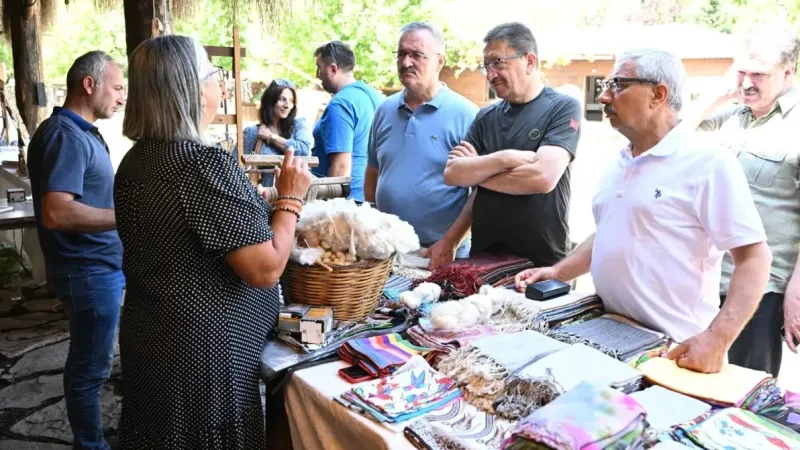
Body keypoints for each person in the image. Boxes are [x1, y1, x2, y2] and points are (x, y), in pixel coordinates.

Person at [515, 48, 773, 374]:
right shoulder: (619, 160)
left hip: (675, 351)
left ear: (658, 94)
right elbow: (612, 229)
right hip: (608, 335)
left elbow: (754, 258)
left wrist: (718, 338)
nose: (604, 97)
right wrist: (559, 272)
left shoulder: (707, 162)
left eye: (618, 85)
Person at [115, 35, 312, 449]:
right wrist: (291, 196)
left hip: (154, 340)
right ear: (186, 89)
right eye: (212, 76)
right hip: (203, 362)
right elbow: (265, 268)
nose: (222, 87)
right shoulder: (197, 163)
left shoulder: (136, 160)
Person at [27, 50, 126, 450]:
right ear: (90, 84)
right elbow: (57, 212)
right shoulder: (65, 136)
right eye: (117, 88)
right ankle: (91, 445)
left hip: (97, 268)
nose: (122, 98)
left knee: (91, 364)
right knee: (89, 369)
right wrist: (128, 216)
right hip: (87, 271)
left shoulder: (79, 132)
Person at [695, 24, 800, 376]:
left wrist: (795, 293)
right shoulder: (729, 114)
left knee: (743, 388)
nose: (747, 82)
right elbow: (670, 136)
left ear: (788, 71)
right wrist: (718, 94)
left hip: (762, 289)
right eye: (741, 71)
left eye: (759, 74)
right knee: (690, 378)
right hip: (705, 278)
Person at [443, 22, 582, 267]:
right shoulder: (486, 117)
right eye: (485, 66)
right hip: (483, 258)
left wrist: (476, 170)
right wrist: (504, 159)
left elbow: (542, 178)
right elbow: (453, 174)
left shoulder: (562, 108)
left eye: (497, 62)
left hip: (542, 261)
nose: (490, 74)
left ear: (529, 61)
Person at [365, 22, 478, 269]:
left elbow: (480, 192)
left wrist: (451, 242)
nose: (406, 62)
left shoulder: (467, 115)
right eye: (401, 54)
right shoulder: (384, 110)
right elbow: (373, 172)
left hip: (441, 253)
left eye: (417, 55)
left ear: (439, 61)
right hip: (387, 252)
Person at [311, 40, 382, 201]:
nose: (317, 74)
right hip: (370, 197)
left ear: (333, 69)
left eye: (319, 67)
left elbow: (341, 167)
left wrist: (326, 208)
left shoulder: (340, 104)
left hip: (346, 202)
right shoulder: (374, 96)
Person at [242, 78, 313, 186]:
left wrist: (271, 137)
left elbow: (303, 151)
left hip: (295, 197)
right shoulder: (253, 133)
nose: (287, 105)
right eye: (282, 99)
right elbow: (233, 166)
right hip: (263, 198)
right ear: (271, 101)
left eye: (291, 101)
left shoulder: (298, 125)